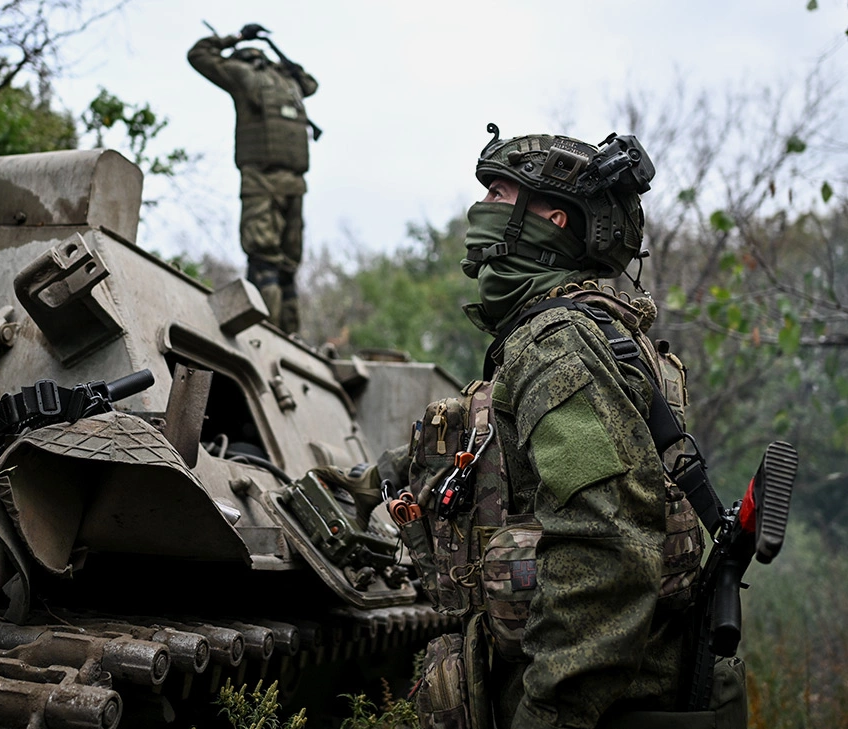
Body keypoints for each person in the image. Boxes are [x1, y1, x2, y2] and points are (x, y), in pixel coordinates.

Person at [390, 127, 747, 728]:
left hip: (602, 710)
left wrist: (548, 714)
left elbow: (606, 550)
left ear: (553, 219)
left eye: (500, 194)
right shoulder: (588, 332)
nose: (482, 209)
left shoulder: (558, 348)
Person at [187, 24, 318, 334]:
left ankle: (282, 337)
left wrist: (239, 39)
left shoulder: (266, 78)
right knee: (271, 263)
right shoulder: (269, 79)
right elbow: (197, 56)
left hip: (287, 182)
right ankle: (268, 335)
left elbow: (200, 53)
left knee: (279, 265)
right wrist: (244, 40)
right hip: (266, 179)